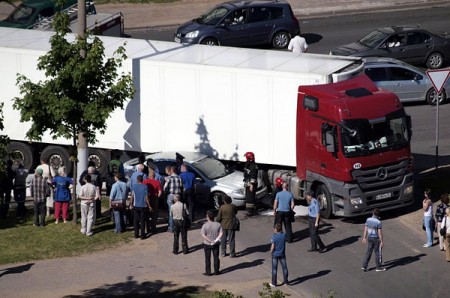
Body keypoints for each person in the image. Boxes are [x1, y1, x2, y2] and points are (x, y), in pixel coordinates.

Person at [201, 210, 223, 276]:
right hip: (215, 244)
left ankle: (208, 272)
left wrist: (210, 241)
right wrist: (215, 240)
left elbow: (203, 235)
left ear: (207, 217)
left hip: (207, 244)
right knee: (216, 257)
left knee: (207, 258)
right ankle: (216, 271)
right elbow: (221, 233)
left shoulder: (205, 225)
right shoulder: (218, 224)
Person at [164, 165, 183, 232]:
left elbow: (165, 187)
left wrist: (166, 193)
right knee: (177, 211)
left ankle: (171, 227)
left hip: (171, 195)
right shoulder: (179, 177)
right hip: (177, 195)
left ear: (172, 170)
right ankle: (177, 226)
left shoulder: (169, 178)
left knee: (171, 211)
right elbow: (181, 186)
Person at [130, 175, 150, 239]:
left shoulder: (134, 186)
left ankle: (136, 234)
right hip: (143, 205)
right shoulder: (145, 186)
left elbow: (132, 196)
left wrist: (131, 204)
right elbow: (146, 197)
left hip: (136, 205)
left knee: (136, 220)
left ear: (137, 179)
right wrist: (149, 205)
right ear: (142, 180)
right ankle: (142, 235)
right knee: (142, 220)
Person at [143, 168, 162, 235]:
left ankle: (148, 228)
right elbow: (160, 192)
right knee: (154, 214)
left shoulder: (145, 181)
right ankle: (153, 228)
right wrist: (157, 197)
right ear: (154, 176)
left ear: (149, 176)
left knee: (147, 214)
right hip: (154, 198)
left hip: (147, 198)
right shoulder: (157, 182)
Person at [270, 223, 289, 288]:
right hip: (282, 254)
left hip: (275, 254)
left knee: (274, 269)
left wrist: (271, 252)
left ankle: (274, 283)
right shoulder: (284, 235)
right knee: (284, 268)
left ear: (276, 229)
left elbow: (273, 247)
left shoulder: (274, 237)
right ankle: (286, 281)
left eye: (274, 228)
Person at [243, 151, 258, 216]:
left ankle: (250, 211)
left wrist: (251, 185)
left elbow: (253, 175)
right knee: (249, 196)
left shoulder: (253, 166)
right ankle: (252, 210)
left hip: (251, 183)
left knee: (250, 197)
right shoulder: (248, 164)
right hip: (248, 182)